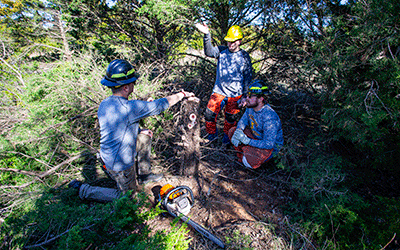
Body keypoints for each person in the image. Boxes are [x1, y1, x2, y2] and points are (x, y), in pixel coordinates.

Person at [69, 59, 194, 202]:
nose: (134, 84)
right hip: (119, 165)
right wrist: (181, 95)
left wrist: (139, 129)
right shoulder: (130, 108)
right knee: (129, 198)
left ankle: (144, 175)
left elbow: (119, 126)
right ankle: (84, 190)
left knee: (144, 137)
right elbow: (160, 105)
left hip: (108, 155)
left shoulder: (106, 104)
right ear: (126, 88)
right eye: (133, 82)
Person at [195, 23, 253, 144]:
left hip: (236, 95)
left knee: (231, 119)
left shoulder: (244, 56)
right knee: (209, 115)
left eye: (234, 41)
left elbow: (247, 77)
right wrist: (206, 35)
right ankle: (212, 138)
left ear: (240, 41)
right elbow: (209, 52)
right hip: (219, 92)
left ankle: (227, 141)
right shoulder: (222, 51)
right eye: (229, 41)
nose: (231, 44)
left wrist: (245, 96)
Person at [229, 80, 283, 169]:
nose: (247, 98)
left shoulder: (269, 117)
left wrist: (248, 141)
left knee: (248, 162)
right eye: (247, 95)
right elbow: (243, 121)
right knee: (232, 131)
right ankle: (244, 154)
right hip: (256, 138)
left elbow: (269, 143)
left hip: (270, 148)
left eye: (250, 96)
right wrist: (238, 131)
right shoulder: (251, 107)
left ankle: (254, 158)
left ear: (261, 98)